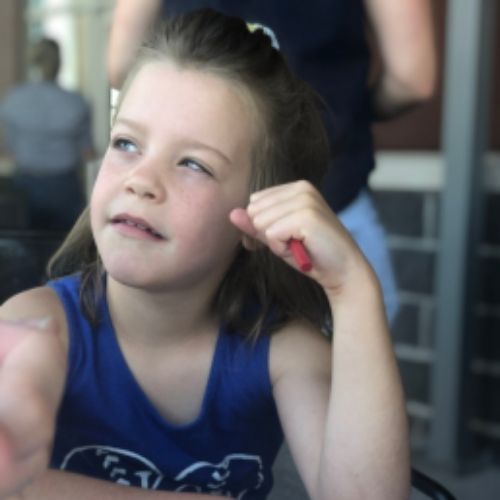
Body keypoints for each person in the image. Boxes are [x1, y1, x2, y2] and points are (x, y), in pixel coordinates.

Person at [0, 9, 409, 499]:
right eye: (126, 142)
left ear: (259, 216)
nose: (142, 181)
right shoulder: (38, 325)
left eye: (194, 164)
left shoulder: (282, 351)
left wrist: (354, 291)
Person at [106, 0, 437, 325]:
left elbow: (122, 64)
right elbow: (411, 78)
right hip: (332, 197)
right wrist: (341, 117)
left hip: (193, 229)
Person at [0, 38, 95, 231]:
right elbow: (88, 152)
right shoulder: (75, 102)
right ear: (59, 64)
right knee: (67, 250)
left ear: (32, 62)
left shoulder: (13, 100)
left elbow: (8, 149)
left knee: (26, 250)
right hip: (65, 187)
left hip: (26, 185)